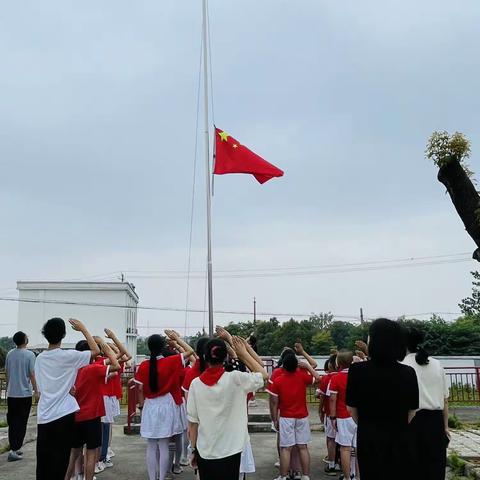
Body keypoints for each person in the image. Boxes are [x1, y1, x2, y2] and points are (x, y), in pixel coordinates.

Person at [346, 318, 419, 480]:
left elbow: (351, 409)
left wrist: (368, 424)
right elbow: (412, 412)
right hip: (399, 437)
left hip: (368, 438)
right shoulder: (408, 373)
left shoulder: (357, 370)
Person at [187, 337, 268, 480]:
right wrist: (243, 354)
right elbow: (264, 375)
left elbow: (193, 424)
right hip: (232, 449)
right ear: (225, 357)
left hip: (206, 450)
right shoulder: (236, 379)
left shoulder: (195, 384)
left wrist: (192, 450)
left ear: (205, 357)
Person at [34, 317, 100, 480]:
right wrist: (83, 328)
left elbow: (41, 389)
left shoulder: (40, 359)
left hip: (44, 416)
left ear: (45, 335)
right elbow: (96, 352)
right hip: (64, 414)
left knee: (44, 461)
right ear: (63, 335)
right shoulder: (69, 356)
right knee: (60, 460)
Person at [134, 331, 194, 480]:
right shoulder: (171, 361)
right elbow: (191, 351)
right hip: (167, 404)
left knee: (151, 445)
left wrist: (141, 407)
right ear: (162, 347)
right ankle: (162, 477)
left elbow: (140, 389)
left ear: (148, 347)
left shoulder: (143, 365)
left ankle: (152, 478)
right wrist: (177, 340)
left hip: (150, 405)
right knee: (164, 445)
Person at [65, 337, 120, 480]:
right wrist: (102, 344)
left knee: (73, 454)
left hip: (75, 416)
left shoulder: (71, 370)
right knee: (91, 453)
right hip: (92, 417)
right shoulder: (94, 368)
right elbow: (116, 365)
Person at [403, 327, 450, 480]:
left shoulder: (402, 365)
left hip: (411, 420)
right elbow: (444, 400)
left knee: (412, 468)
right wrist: (445, 426)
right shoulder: (437, 365)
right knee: (435, 467)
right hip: (435, 421)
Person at [267, 352, 320, 480]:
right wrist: (307, 366)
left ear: (283, 365)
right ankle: (305, 475)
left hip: (286, 416)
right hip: (302, 416)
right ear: (297, 365)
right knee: (303, 447)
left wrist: (274, 419)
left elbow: (274, 403)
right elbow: (318, 379)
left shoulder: (278, 381)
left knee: (286, 448)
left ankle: (283, 476)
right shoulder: (302, 376)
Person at [96, 328, 132, 472]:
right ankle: (100, 458)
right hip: (102, 398)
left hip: (110, 396)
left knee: (107, 428)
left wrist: (112, 338)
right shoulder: (100, 362)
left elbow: (126, 355)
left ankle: (105, 454)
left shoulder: (108, 361)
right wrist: (106, 341)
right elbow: (124, 355)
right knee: (102, 430)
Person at [5, 331, 38, 462]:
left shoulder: (9, 354)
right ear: (25, 340)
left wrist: (8, 387)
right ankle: (14, 449)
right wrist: (36, 390)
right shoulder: (30, 355)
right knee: (22, 421)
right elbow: (32, 374)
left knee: (13, 422)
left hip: (12, 393)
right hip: (24, 394)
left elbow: (7, 372)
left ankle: (14, 447)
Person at [329, 351, 357, 480]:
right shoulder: (359, 375)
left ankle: (347, 477)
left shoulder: (336, 378)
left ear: (338, 363)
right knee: (357, 448)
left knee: (345, 448)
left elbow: (333, 399)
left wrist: (333, 416)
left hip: (343, 415)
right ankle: (357, 476)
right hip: (358, 416)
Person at [318, 354, 338, 475]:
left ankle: (331, 464)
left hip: (331, 413)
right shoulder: (350, 376)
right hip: (346, 414)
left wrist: (320, 411)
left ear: (331, 365)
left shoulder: (327, 378)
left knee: (331, 439)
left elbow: (323, 397)